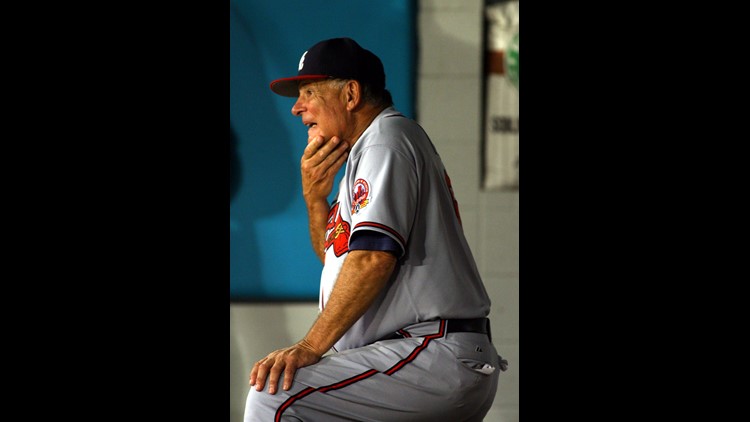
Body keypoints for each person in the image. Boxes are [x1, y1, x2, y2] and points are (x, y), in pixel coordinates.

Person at [244, 37, 507, 422]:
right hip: (422, 354)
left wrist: (310, 346)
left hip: (428, 350)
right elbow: (340, 260)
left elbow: (371, 259)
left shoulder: (386, 141)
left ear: (350, 94)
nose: (298, 108)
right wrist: (316, 202)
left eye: (308, 92)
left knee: (275, 395)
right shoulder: (371, 149)